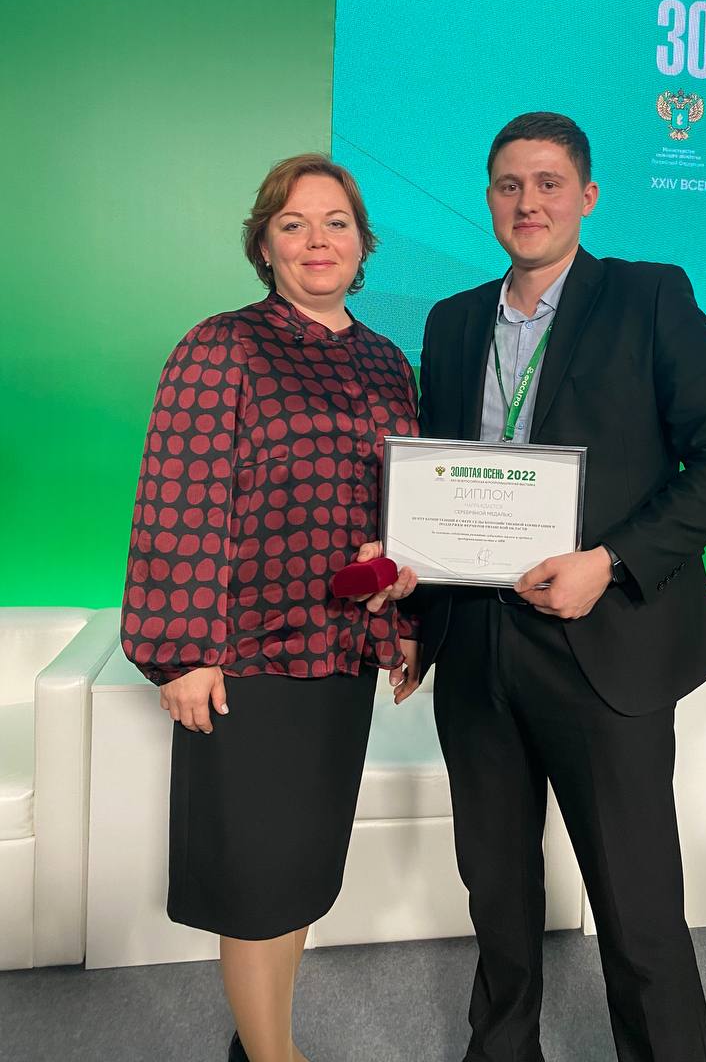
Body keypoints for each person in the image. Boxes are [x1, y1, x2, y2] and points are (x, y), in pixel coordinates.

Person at [410, 112, 706, 1062]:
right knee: (496, 895)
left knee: (637, 909)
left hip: (606, 645)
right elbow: (438, 484)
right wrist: (415, 612)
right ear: (489, 199)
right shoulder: (451, 322)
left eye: (549, 183)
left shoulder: (649, 297)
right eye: (509, 185)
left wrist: (608, 562)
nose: (528, 202)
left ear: (587, 196)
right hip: (477, 645)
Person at [121, 154, 421, 1062]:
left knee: (298, 874)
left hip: (343, 655)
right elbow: (180, 497)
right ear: (264, 246)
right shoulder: (223, 346)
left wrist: (404, 616)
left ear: (363, 244)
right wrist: (182, 652)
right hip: (246, 659)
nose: (316, 240)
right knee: (254, 883)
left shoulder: (388, 362)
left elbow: (405, 513)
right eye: (294, 224)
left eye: (336, 223)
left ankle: (260, 1045)